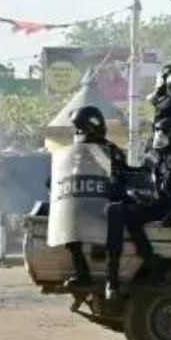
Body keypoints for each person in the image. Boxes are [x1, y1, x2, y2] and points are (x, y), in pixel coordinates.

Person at [103, 118, 171, 304]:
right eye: (157, 134)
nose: (159, 138)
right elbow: (148, 180)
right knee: (115, 210)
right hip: (158, 206)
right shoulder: (159, 158)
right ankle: (114, 275)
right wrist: (139, 194)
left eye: (164, 135)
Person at [61, 106, 128, 288]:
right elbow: (65, 173)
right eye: (76, 128)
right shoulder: (78, 151)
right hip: (84, 202)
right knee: (70, 231)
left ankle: (110, 278)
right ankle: (83, 274)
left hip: (107, 204)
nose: (77, 133)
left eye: (80, 128)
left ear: (92, 128)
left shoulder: (109, 151)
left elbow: (117, 181)